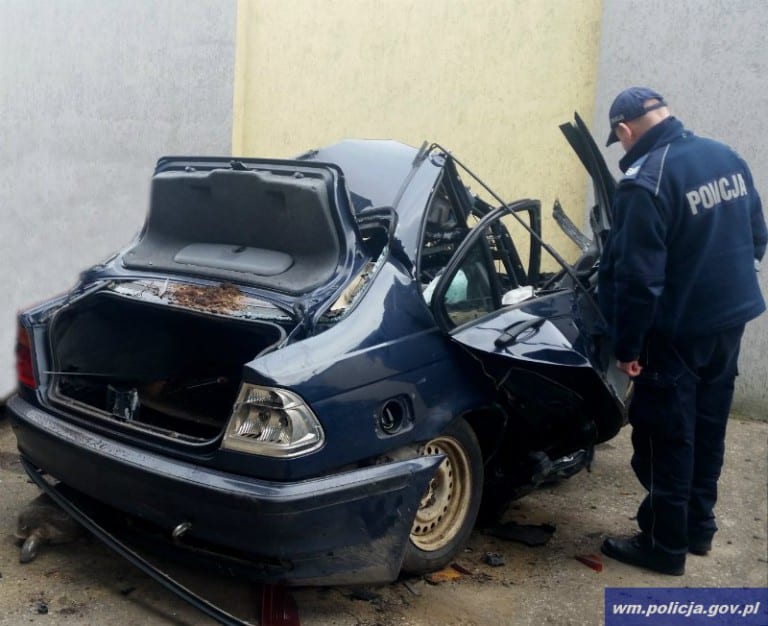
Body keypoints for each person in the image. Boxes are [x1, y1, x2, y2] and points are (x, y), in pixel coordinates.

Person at [597, 86, 767, 575]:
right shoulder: (726, 156)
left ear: (625, 131)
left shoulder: (645, 181)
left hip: (673, 337)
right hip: (729, 322)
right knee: (708, 428)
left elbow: (637, 279)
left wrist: (629, 347)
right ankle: (698, 529)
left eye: (620, 141)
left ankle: (663, 545)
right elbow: (758, 235)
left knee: (665, 436)